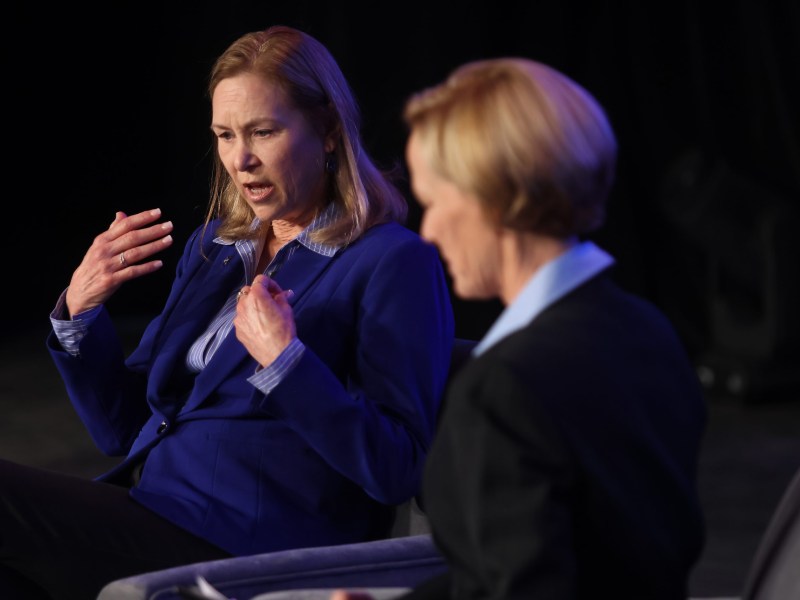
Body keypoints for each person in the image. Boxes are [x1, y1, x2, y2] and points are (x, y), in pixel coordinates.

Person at [0, 25, 454, 599]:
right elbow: (122, 427)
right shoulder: (216, 246)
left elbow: (397, 467)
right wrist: (80, 314)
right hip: (152, 508)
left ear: (330, 130)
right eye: (224, 135)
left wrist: (286, 365)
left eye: (263, 132)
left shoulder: (391, 261)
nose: (241, 159)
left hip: (252, 543)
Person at [334, 57, 707, 599]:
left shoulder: (506, 388)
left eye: (436, 203)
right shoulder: (650, 331)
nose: (430, 231)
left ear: (498, 198)